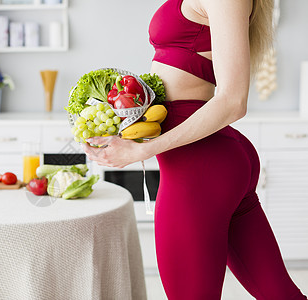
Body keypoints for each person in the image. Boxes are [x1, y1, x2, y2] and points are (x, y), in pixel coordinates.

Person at [82, 0, 308, 299]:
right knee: (278, 293)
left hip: (199, 164)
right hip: (209, 159)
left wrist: (142, 152)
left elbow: (232, 101)